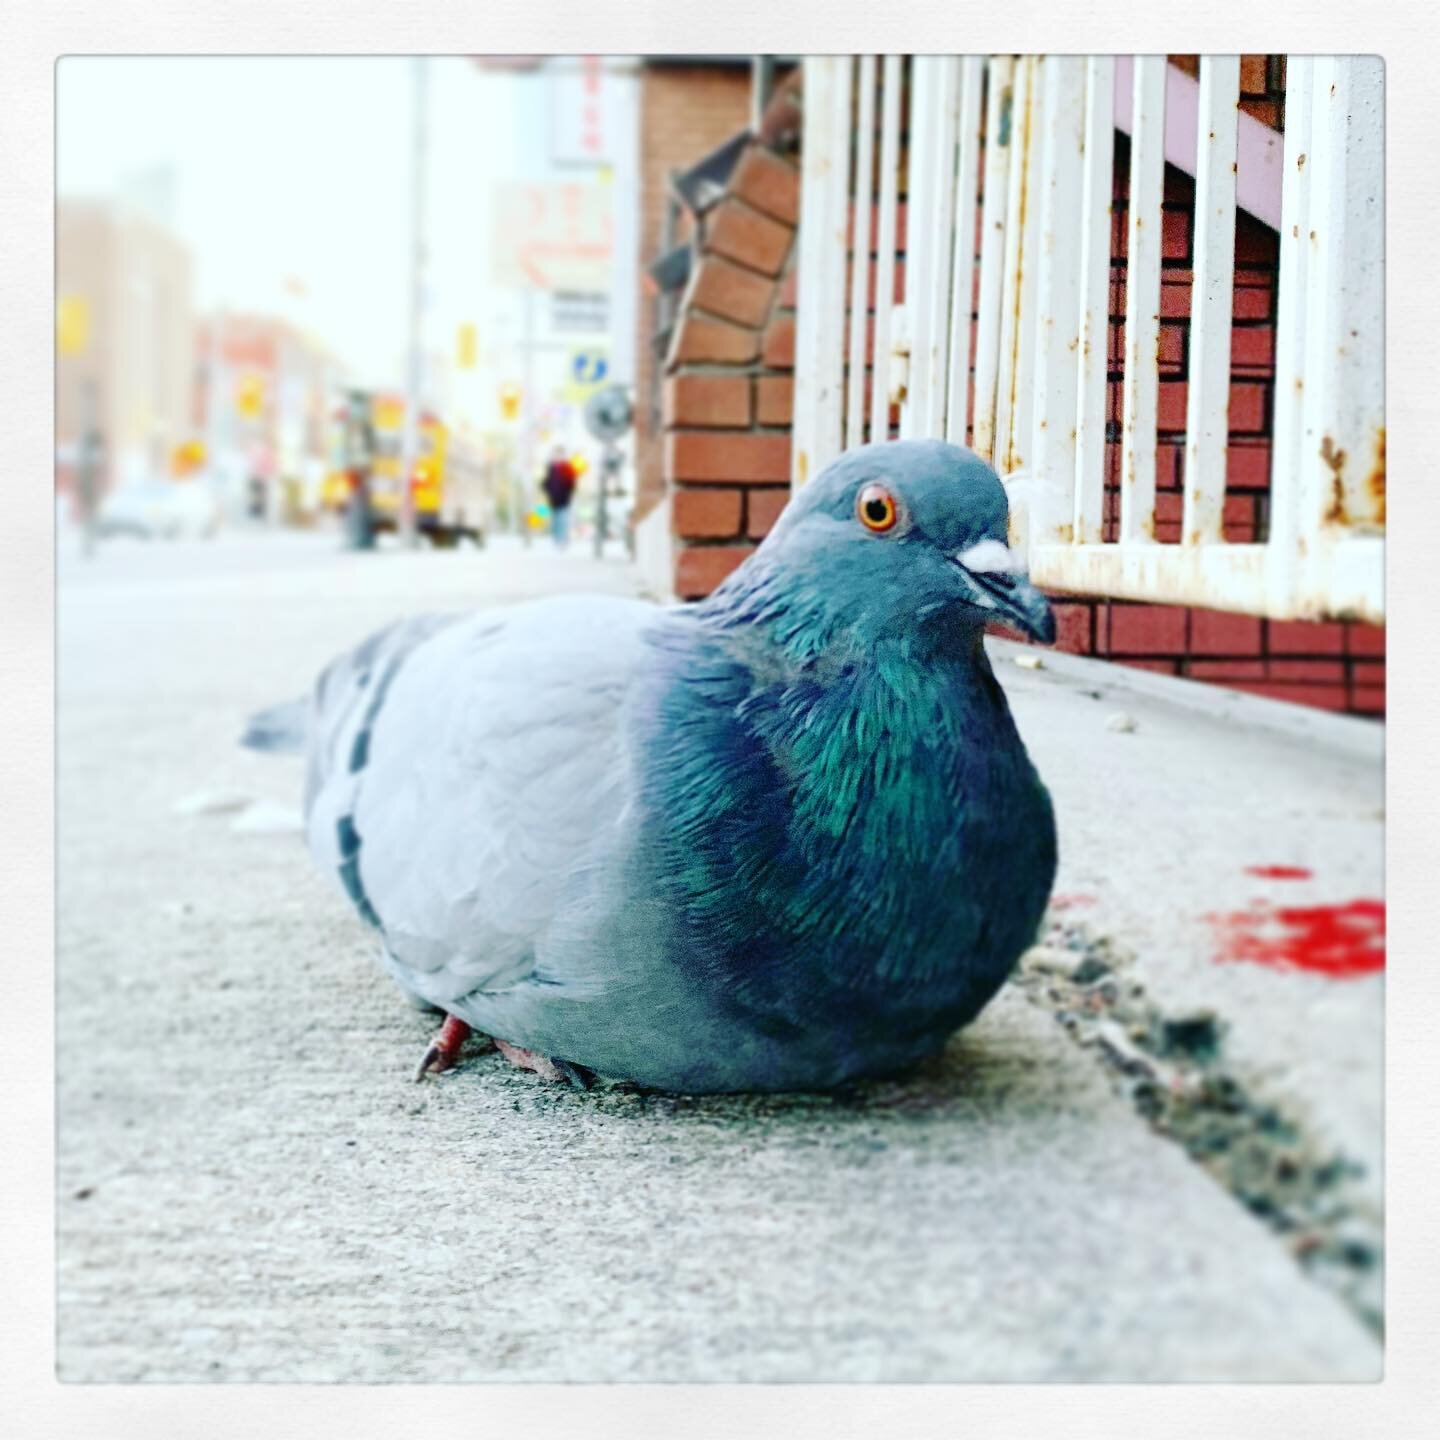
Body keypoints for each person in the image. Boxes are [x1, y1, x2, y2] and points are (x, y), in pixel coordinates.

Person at [541, 446, 577, 549]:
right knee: (555, 520)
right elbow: (546, 481)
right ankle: (556, 539)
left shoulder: (567, 467)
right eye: (556, 454)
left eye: (560, 454)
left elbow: (571, 483)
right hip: (553, 499)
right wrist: (546, 490)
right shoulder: (551, 467)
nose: (558, 456)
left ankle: (563, 539)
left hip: (564, 499)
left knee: (563, 519)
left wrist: (569, 494)